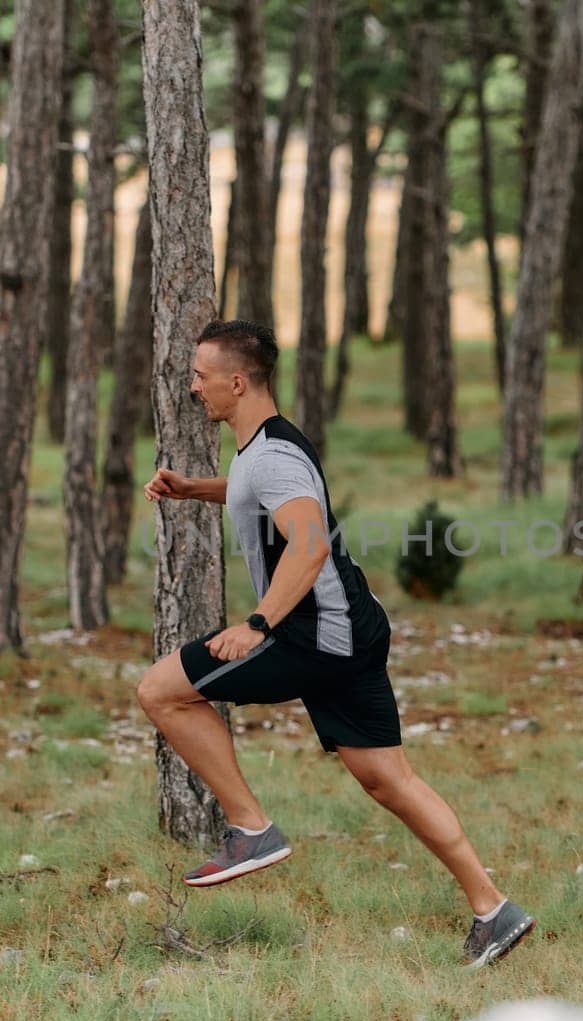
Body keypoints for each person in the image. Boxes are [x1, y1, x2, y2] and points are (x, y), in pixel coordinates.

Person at [135, 319, 534, 968]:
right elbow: (266, 499)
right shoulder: (266, 447)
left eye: (200, 376)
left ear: (237, 382)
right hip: (352, 626)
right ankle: (494, 909)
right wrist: (194, 490)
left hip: (314, 634)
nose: (192, 387)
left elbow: (311, 541)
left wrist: (258, 623)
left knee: (161, 690)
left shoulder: (269, 456)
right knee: (387, 778)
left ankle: (252, 829)